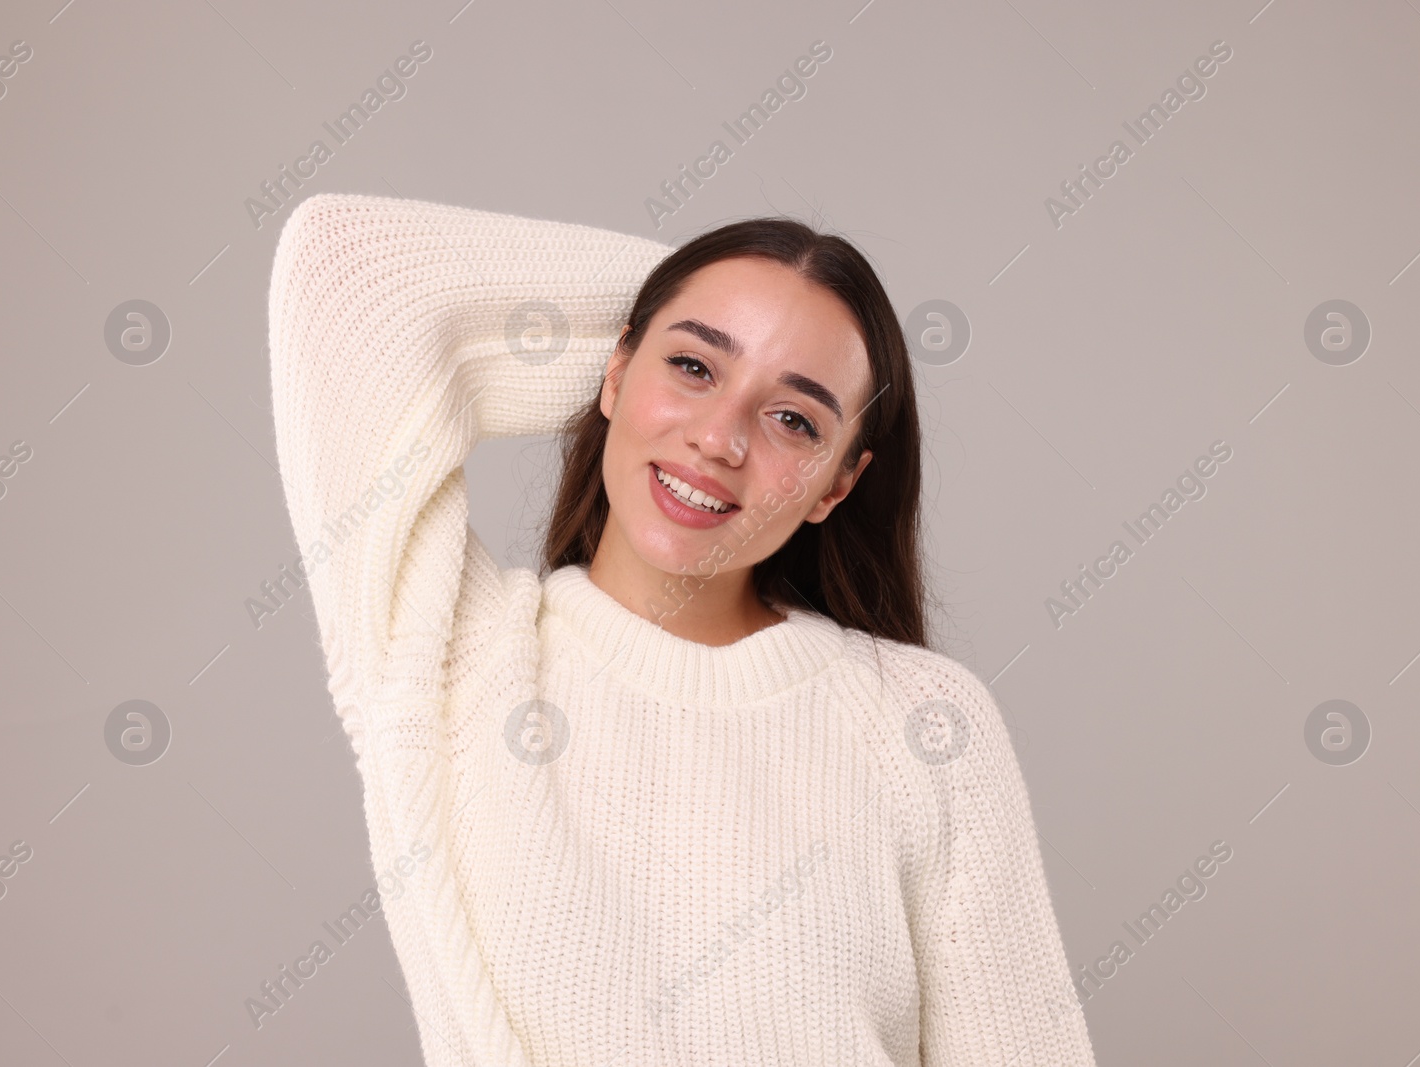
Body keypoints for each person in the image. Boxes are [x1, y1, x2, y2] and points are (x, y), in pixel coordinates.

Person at [266, 191, 1097, 1066]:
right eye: (694, 368)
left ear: (835, 488)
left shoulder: (921, 724)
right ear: (614, 375)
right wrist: (700, 294)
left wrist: (696, 324)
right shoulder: (452, 655)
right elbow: (346, 271)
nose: (719, 437)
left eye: (793, 419)